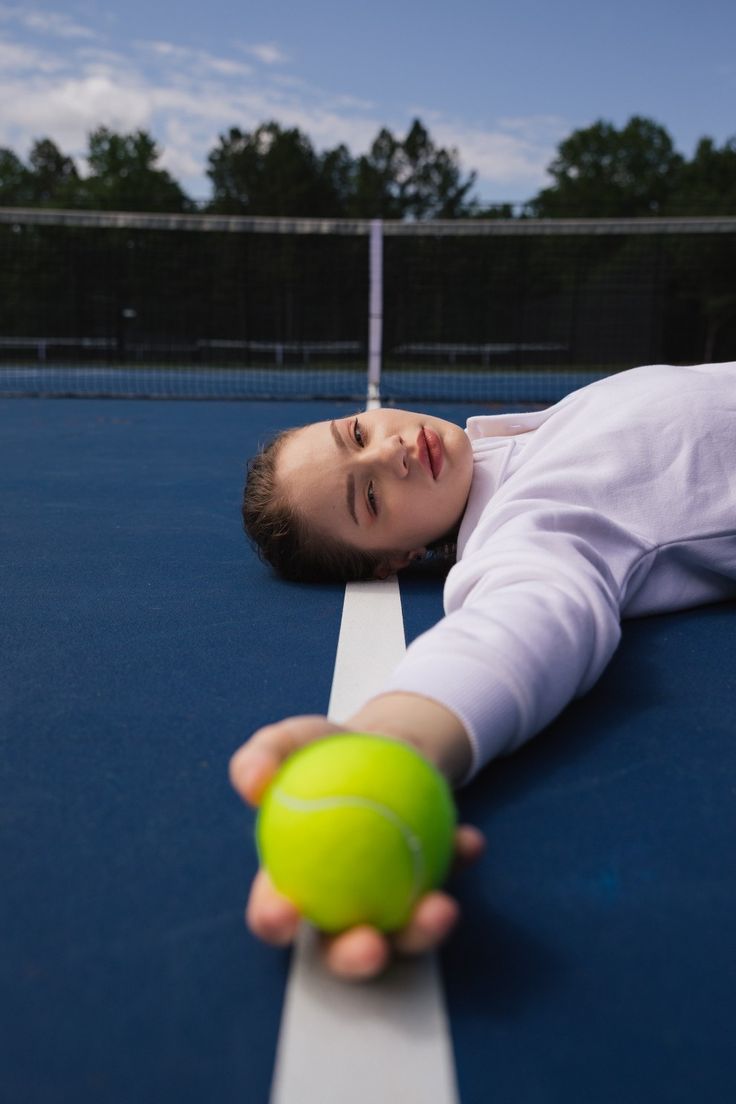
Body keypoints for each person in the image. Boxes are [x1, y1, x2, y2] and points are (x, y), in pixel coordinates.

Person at [230, 361, 736, 980]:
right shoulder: (526, 523)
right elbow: (528, 619)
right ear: (397, 559)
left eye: (357, 435)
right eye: (368, 498)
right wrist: (399, 736)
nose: (391, 453)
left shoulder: (517, 446)